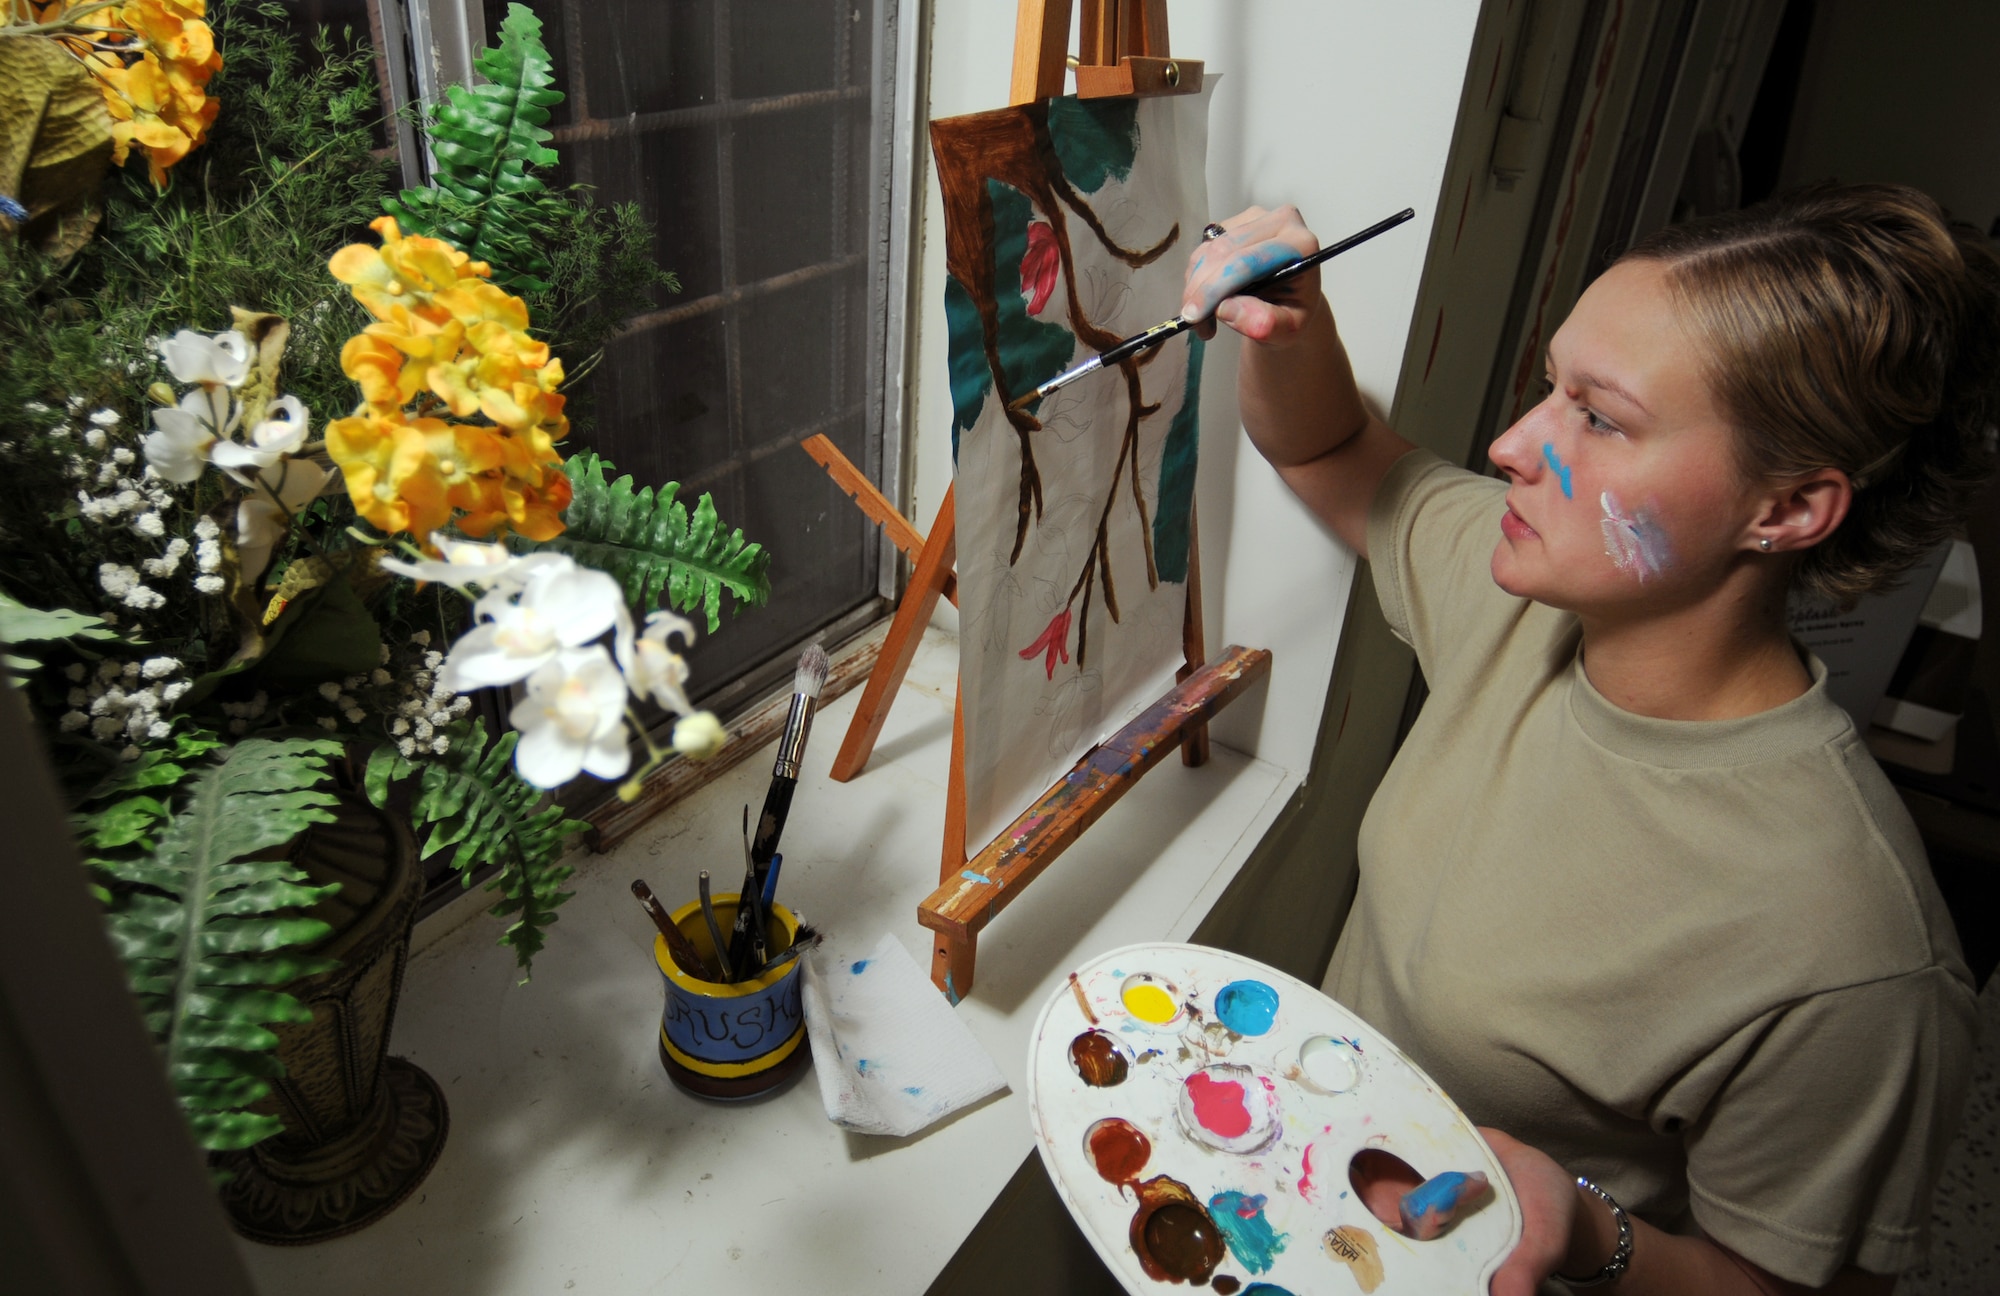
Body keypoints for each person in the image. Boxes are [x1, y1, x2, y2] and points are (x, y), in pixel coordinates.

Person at [1180, 184, 1994, 1294]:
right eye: (1551, 389)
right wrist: (1289, 323)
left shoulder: (1849, 954)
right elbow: (1330, 449)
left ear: (1787, 510)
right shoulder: (1527, 597)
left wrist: (1589, 1235)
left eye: (1599, 419)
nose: (1513, 444)